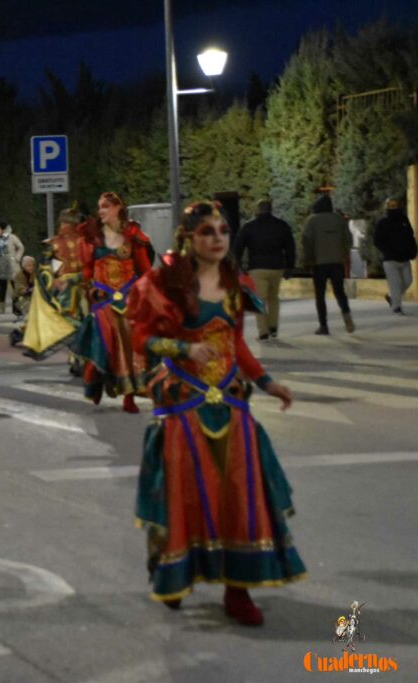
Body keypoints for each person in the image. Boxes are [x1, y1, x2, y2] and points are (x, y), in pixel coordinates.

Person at [127, 200, 304, 625]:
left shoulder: (234, 282)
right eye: (208, 231)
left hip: (230, 402)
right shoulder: (164, 283)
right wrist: (183, 347)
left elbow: (237, 344)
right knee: (184, 494)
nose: (219, 238)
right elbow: (141, 338)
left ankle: (238, 591)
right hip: (183, 401)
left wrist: (266, 382)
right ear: (189, 237)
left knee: (240, 495)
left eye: (223, 231)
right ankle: (173, 570)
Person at [71, 192, 153, 413]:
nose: (101, 211)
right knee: (107, 336)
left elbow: (145, 271)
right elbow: (87, 272)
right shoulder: (92, 238)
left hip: (129, 298)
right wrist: (91, 290)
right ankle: (95, 376)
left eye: (106, 206)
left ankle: (129, 396)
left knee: (130, 342)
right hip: (102, 299)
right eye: (99, 207)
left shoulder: (133, 236)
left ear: (118, 208)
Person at [21, 206, 89, 360]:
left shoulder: (69, 242)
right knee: (74, 319)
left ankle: (78, 352)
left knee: (68, 319)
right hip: (77, 286)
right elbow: (44, 265)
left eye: (65, 223)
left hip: (76, 286)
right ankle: (77, 355)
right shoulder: (80, 241)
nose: (63, 226)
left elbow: (45, 267)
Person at [233, 199, 296, 339]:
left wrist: (239, 266)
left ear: (258, 209)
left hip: (257, 268)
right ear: (271, 209)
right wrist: (290, 266)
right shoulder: (281, 225)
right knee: (274, 298)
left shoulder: (249, 226)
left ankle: (263, 331)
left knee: (259, 299)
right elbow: (290, 247)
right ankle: (273, 327)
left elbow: (237, 248)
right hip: (276, 267)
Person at [301, 194, 354, 335]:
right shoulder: (339, 219)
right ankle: (346, 314)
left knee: (320, 295)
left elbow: (306, 241)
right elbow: (348, 240)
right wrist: (342, 253)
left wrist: (308, 260)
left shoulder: (311, 221)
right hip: (337, 262)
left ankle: (323, 326)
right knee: (339, 291)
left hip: (319, 263)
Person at [373, 198, 417, 315]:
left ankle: (391, 296)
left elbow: (410, 236)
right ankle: (396, 307)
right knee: (395, 284)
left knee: (408, 281)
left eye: (395, 205)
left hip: (404, 258)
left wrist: (413, 251)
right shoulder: (382, 222)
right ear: (387, 207)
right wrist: (387, 251)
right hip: (390, 260)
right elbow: (377, 240)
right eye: (391, 206)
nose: (393, 208)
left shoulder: (404, 220)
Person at [0, 221, 24, 313]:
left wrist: (17, 258)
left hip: (12, 265)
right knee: (2, 287)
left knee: (15, 287)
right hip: (1, 265)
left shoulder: (12, 237)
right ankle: (2, 308)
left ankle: (17, 307)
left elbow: (21, 247)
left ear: (2, 229)